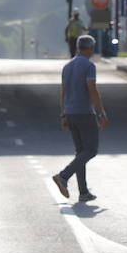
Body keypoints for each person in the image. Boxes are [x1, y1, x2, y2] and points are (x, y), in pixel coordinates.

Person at [52, 34, 108, 203]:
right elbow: (92, 90)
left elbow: (63, 92)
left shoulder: (67, 67)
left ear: (77, 47)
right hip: (85, 113)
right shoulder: (89, 66)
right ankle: (64, 176)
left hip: (70, 112)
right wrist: (101, 112)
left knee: (80, 153)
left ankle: (83, 192)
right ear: (91, 49)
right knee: (91, 150)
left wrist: (63, 114)